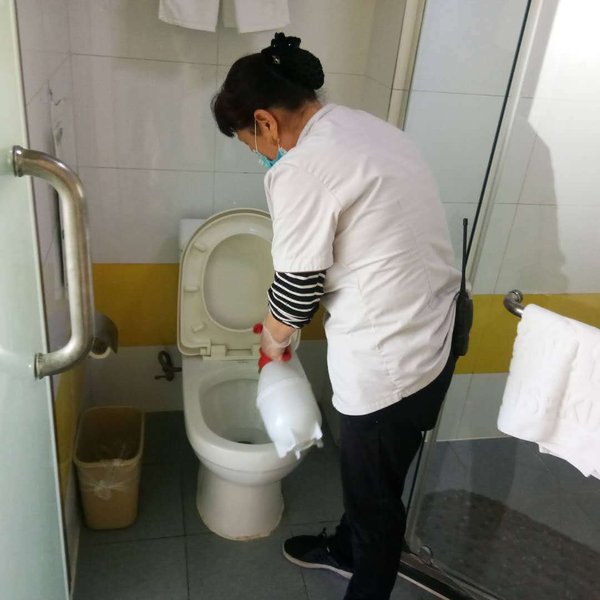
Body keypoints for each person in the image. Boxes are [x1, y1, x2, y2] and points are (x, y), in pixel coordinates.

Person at [211, 32, 461, 600]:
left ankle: (364, 574)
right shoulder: (367, 127)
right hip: (440, 331)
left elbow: (297, 289)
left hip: (391, 360)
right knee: (383, 476)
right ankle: (347, 551)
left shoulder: (301, 168)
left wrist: (272, 344)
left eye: (252, 143)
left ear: (265, 121)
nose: (260, 154)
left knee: (375, 506)